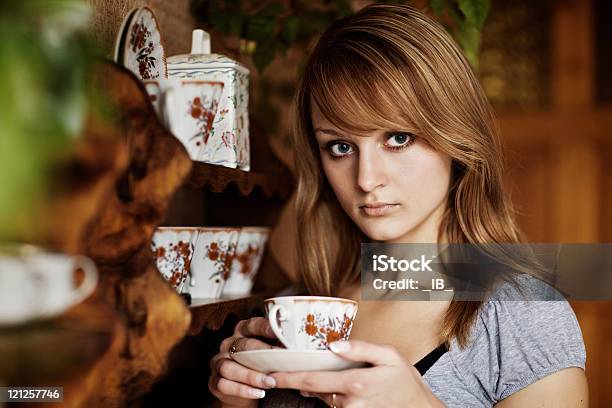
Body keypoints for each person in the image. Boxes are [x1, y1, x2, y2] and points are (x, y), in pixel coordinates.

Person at [208, 3, 588, 407]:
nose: (366, 179)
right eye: (340, 147)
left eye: (398, 138)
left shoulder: (524, 315)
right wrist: (237, 398)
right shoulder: (298, 309)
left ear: (456, 137)